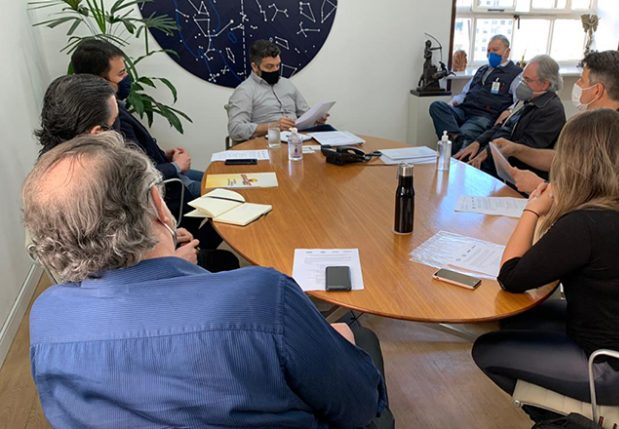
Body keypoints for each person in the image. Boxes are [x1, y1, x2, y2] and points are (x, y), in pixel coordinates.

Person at [24, 132, 393, 429]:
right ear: (158, 203)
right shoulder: (263, 297)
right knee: (360, 338)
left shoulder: (47, 317)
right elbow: (357, 407)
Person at [472, 109, 619, 409]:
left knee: (487, 350)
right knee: (514, 317)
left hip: (613, 370)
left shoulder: (585, 224)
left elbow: (511, 277)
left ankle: (558, 416)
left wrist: (533, 208)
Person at [34, 74, 236, 271]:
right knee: (226, 261)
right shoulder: (94, 186)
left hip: (143, 255)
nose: (119, 131)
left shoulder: (49, 175)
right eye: (116, 120)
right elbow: (109, 268)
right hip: (143, 276)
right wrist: (172, 262)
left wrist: (168, 235)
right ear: (98, 133)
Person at [491, 50, 619, 193]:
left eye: (582, 80)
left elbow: (597, 195)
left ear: (597, 90)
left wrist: (541, 187)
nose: (577, 85)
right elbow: (563, 159)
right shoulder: (591, 123)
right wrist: (516, 149)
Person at [71, 39, 205, 200]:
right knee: (226, 190)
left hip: (167, 172)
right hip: (167, 190)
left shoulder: (116, 107)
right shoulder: (110, 123)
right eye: (121, 74)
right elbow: (135, 175)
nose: (127, 77)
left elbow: (138, 152)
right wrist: (176, 166)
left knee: (218, 178)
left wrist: (162, 154)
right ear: (101, 82)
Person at [454, 55, 566, 183]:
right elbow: (503, 126)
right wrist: (478, 142)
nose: (522, 83)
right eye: (522, 78)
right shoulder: (528, 100)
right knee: (458, 160)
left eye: (527, 80)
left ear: (545, 84)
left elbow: (522, 148)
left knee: (463, 174)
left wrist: (487, 152)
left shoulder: (551, 111)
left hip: (514, 172)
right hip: (496, 156)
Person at [227, 40, 334, 142]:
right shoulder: (244, 91)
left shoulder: (287, 84)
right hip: (269, 142)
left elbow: (305, 113)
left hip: (298, 138)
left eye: (277, 65)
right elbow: (235, 129)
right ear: (255, 67)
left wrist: (316, 119)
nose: (275, 70)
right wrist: (272, 126)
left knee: (333, 140)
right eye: (269, 66)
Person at [429, 35, 522, 148]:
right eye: (489, 50)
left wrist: (507, 112)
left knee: (463, 133)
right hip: (465, 110)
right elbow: (464, 93)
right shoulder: (482, 69)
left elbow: (518, 103)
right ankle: (456, 139)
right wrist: (452, 103)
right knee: (437, 106)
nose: (491, 53)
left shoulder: (516, 74)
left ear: (507, 52)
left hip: (484, 116)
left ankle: (456, 142)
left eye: (495, 50)